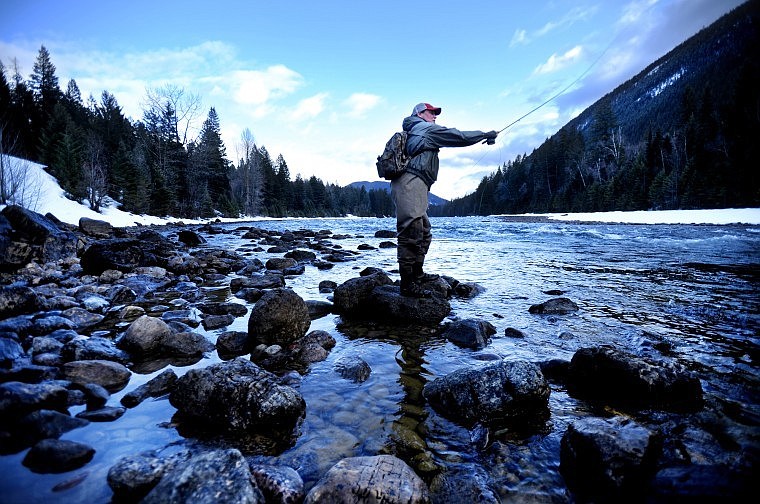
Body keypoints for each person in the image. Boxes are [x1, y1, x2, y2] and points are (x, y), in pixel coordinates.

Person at [392, 102, 498, 297]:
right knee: (411, 232)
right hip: (409, 183)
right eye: (431, 112)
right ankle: (407, 285)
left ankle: (417, 274)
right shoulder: (424, 129)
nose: (435, 116)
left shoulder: (418, 129)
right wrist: (483, 135)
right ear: (420, 114)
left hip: (417, 184)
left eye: (435, 114)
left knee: (424, 231)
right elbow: (456, 136)